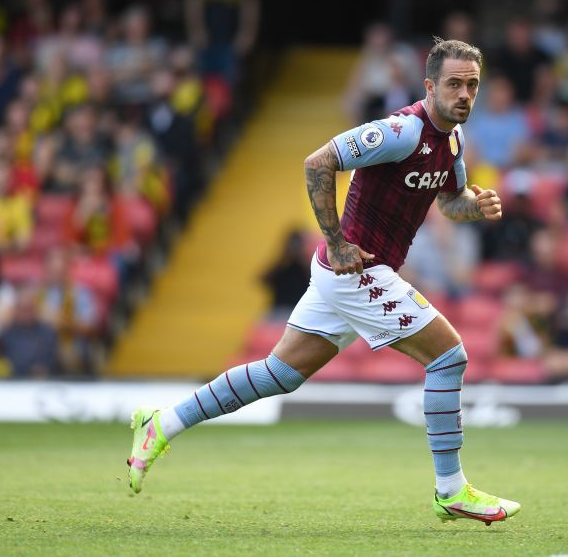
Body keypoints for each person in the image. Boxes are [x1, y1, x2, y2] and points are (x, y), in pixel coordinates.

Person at [125, 38, 521, 525]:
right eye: (455, 84)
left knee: (280, 373)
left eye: (472, 85)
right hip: (355, 268)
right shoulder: (400, 131)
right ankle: (451, 489)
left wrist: (474, 208)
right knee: (448, 355)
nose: (464, 94)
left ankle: (163, 422)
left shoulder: (453, 143)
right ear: (430, 86)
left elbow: (448, 202)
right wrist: (335, 241)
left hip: (353, 272)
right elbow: (318, 162)